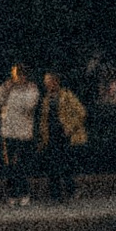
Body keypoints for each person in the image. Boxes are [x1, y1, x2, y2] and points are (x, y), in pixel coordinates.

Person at [36, 63, 85, 205]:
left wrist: (71, 127)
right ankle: (55, 194)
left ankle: (70, 189)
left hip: (64, 135)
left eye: (49, 81)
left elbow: (81, 112)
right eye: (46, 82)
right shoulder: (46, 99)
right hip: (50, 136)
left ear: (56, 81)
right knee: (52, 166)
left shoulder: (66, 96)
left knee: (63, 164)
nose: (47, 85)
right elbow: (44, 120)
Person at [0, 61, 39, 204]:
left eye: (21, 75)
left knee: (22, 164)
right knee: (10, 165)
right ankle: (12, 194)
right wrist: (5, 89)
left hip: (24, 133)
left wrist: (22, 91)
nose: (18, 78)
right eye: (16, 75)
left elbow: (29, 106)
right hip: (8, 132)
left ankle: (24, 193)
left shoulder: (31, 89)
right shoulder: (8, 88)